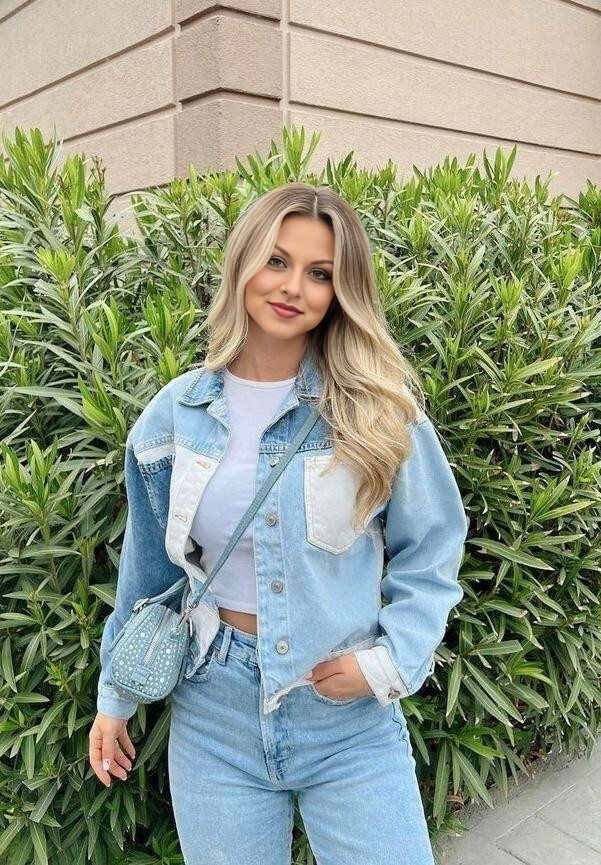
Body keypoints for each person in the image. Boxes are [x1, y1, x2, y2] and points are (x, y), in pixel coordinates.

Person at [88, 182, 469, 865]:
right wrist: (114, 695)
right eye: (276, 260)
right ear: (243, 263)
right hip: (214, 712)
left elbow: (432, 548)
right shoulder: (175, 415)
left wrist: (388, 662)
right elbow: (145, 574)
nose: (294, 286)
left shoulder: (376, 411)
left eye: (320, 273)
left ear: (340, 291)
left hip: (345, 714)